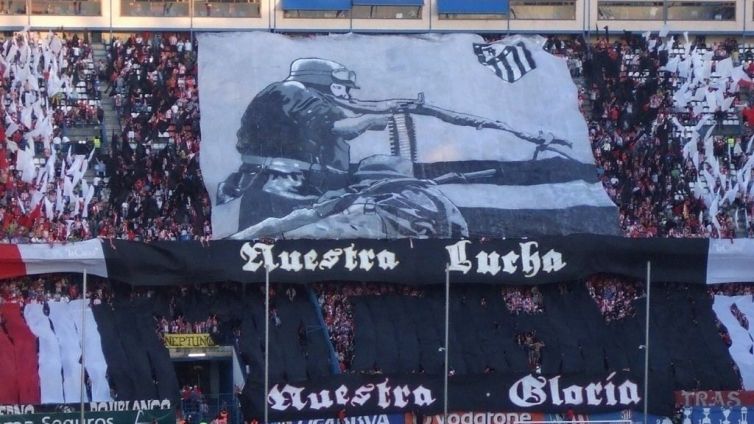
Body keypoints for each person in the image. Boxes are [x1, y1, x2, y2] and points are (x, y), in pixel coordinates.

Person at [221, 58, 573, 239]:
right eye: (341, 88)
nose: (346, 95)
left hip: (297, 186)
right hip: (285, 189)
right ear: (323, 82)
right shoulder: (294, 93)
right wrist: (369, 122)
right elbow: (336, 126)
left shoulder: (291, 95)